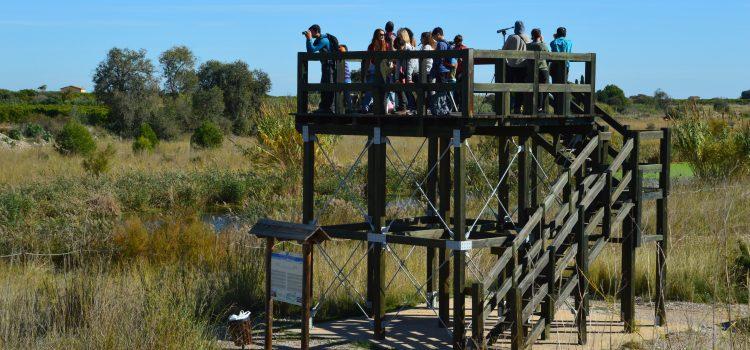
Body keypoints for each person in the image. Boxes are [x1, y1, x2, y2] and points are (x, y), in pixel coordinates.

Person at [501, 20, 530, 114]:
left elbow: (503, 50)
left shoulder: (511, 37)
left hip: (511, 65)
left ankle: (507, 107)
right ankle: (518, 107)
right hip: (524, 66)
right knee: (520, 87)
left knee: (508, 87)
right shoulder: (527, 38)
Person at [304, 24, 334, 113]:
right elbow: (310, 50)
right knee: (323, 85)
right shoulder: (318, 40)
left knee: (328, 85)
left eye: (311, 31)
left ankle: (328, 108)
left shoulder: (324, 40)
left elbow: (311, 51)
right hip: (325, 66)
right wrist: (308, 39)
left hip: (329, 66)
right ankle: (324, 107)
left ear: (316, 31)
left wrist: (309, 39)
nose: (310, 33)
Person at [361, 28, 392, 113]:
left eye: (383, 34)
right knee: (370, 89)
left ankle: (384, 107)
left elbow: (390, 58)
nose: (382, 36)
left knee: (385, 90)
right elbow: (368, 60)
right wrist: (366, 71)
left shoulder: (386, 45)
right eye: (380, 34)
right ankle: (365, 107)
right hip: (374, 69)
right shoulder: (371, 46)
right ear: (376, 35)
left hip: (384, 70)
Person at [429, 27, 457, 116]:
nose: (434, 39)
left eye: (434, 37)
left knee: (440, 91)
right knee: (443, 90)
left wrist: (434, 69)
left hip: (440, 70)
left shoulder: (441, 44)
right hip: (446, 70)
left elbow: (439, 58)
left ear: (438, 34)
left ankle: (442, 110)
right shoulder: (447, 43)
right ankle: (445, 109)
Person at [549, 27, 572, 114]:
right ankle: (563, 109)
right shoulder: (569, 42)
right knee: (564, 85)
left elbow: (553, 46)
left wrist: (555, 38)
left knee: (555, 88)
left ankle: (556, 110)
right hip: (566, 66)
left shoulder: (553, 42)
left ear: (557, 34)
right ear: (565, 34)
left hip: (555, 66)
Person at [527, 28, 550, 113]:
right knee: (544, 88)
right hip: (542, 68)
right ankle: (541, 107)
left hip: (531, 69)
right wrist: (542, 41)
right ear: (540, 36)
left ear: (532, 36)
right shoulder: (543, 45)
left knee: (533, 88)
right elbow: (548, 54)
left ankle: (534, 107)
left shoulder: (528, 46)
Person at [394, 29, 418, 114]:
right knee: (406, 89)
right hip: (407, 72)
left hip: (415, 72)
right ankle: (409, 108)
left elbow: (410, 64)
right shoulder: (399, 50)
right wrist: (396, 79)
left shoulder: (409, 49)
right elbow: (398, 65)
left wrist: (409, 78)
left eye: (400, 48)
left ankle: (416, 108)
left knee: (415, 91)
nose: (399, 50)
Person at [451, 34, 468, 110]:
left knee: (460, 92)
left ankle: (459, 108)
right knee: (458, 92)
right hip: (458, 72)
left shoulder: (461, 48)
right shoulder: (460, 48)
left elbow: (465, 62)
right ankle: (458, 107)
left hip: (461, 72)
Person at [339, 45, 355, 112]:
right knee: (345, 96)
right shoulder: (343, 61)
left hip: (346, 80)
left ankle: (349, 109)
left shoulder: (342, 61)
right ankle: (348, 109)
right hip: (345, 80)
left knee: (346, 96)